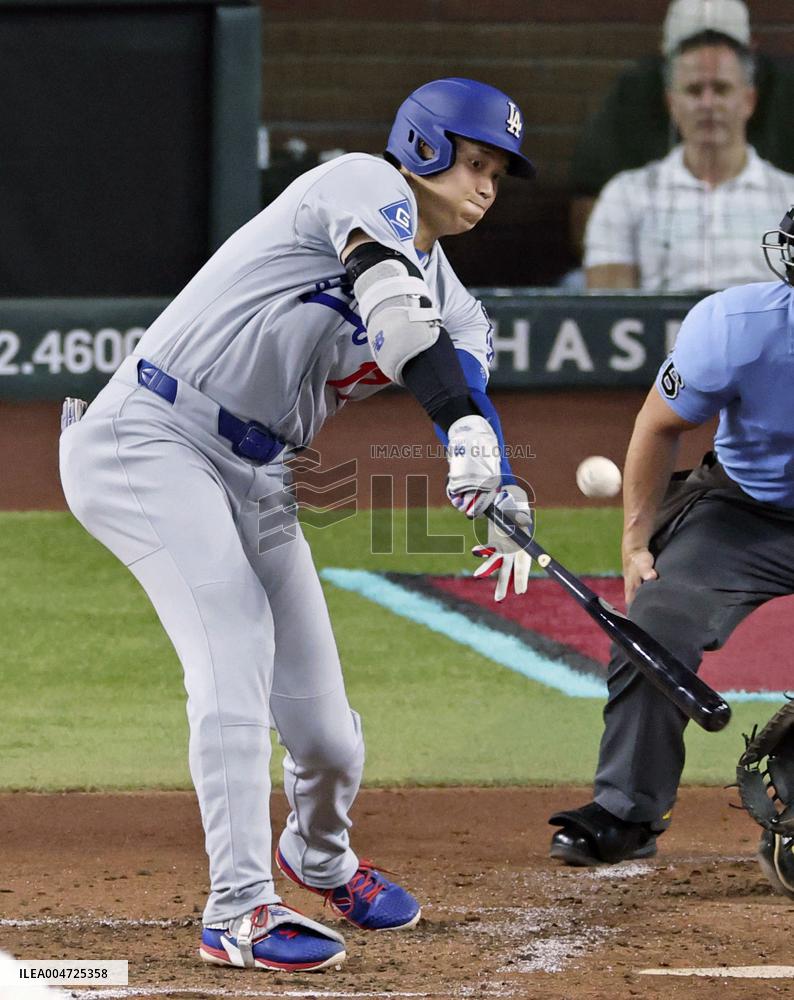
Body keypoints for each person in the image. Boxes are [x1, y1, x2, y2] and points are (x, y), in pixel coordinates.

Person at [58, 78, 534, 973]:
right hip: (148, 436)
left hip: (260, 473)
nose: (487, 187)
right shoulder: (357, 182)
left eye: (499, 172)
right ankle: (236, 911)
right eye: (475, 162)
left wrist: (497, 480)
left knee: (326, 731)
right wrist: (463, 432)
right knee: (232, 659)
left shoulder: (459, 301)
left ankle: (319, 856)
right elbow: (392, 313)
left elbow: (458, 377)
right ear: (424, 149)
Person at [547, 207, 794, 867]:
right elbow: (658, 426)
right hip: (745, 514)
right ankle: (626, 812)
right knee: (656, 621)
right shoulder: (736, 328)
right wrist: (635, 544)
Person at [567, 0, 794, 266]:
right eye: (691, 49)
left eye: (721, 87)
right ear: (665, 53)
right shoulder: (631, 98)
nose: (708, 103)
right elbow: (587, 202)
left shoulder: (784, 97)